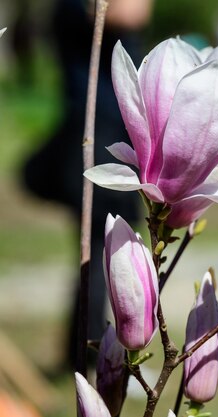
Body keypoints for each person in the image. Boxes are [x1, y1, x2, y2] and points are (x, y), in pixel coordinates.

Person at [21, 0, 153, 369]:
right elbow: (133, 12)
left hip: (105, 131)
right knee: (102, 254)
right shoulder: (80, 8)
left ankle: (82, 352)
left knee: (99, 255)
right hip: (97, 134)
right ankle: (93, 355)